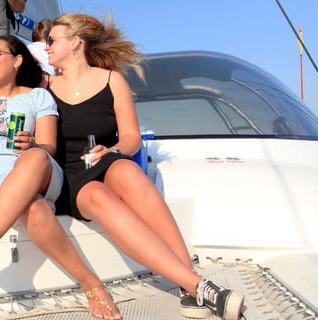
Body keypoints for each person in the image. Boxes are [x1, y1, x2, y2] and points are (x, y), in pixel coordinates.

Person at [43, 13, 243, 320]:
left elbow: (132, 137)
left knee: (126, 170)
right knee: (98, 196)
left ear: (75, 43)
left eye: (51, 40)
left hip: (105, 160)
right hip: (70, 176)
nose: (45, 47)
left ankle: (188, 283)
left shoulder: (113, 81)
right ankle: (199, 286)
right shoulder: (44, 86)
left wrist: (112, 149)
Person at [0, 34, 121, 320]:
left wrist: (32, 145)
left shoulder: (38, 96)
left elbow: (49, 146)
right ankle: (91, 284)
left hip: (37, 167)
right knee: (34, 207)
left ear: (17, 60)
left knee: (34, 157)